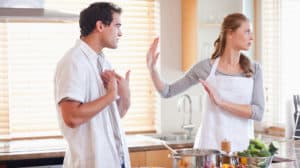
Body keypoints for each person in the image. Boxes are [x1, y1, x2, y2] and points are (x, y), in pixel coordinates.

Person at [146, 13, 264, 152]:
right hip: (209, 150)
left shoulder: (254, 69)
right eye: (247, 31)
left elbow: (258, 112)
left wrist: (222, 103)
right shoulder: (205, 68)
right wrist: (152, 69)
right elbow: (167, 91)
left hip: (242, 150)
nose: (251, 37)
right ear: (230, 33)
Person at [54, 2, 131, 168]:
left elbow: (112, 116)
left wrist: (125, 95)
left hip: (114, 161)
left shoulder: (103, 62)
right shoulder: (73, 62)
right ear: (100, 26)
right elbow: (72, 117)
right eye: (117, 26)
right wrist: (110, 96)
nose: (121, 33)